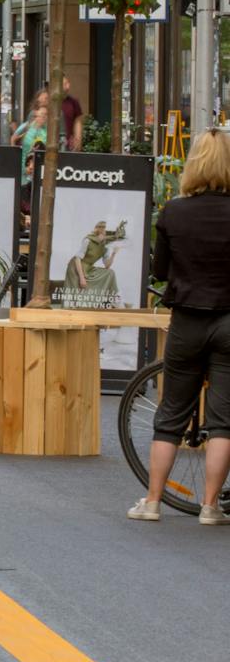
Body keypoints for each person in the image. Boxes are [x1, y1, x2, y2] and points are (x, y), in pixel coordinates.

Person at [131, 128, 230, 523]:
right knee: (224, 421)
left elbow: (159, 271)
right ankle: (210, 507)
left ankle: (153, 502)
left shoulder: (174, 211)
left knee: (171, 414)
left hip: (187, 320)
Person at [60, 76, 85, 152]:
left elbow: (78, 122)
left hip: (67, 145)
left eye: (68, 83)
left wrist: (78, 140)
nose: (68, 86)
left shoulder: (73, 102)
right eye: (65, 84)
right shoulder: (50, 101)